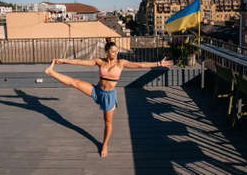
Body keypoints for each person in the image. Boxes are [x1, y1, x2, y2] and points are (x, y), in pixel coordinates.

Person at [44, 40, 173, 157]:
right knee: (75, 82)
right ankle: (51, 72)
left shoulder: (121, 63)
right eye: (113, 51)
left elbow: (139, 65)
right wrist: (63, 60)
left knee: (107, 122)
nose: (116, 53)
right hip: (97, 91)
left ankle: (104, 144)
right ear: (107, 52)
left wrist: (158, 63)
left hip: (109, 96)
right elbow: (81, 62)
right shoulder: (99, 62)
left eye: (117, 51)